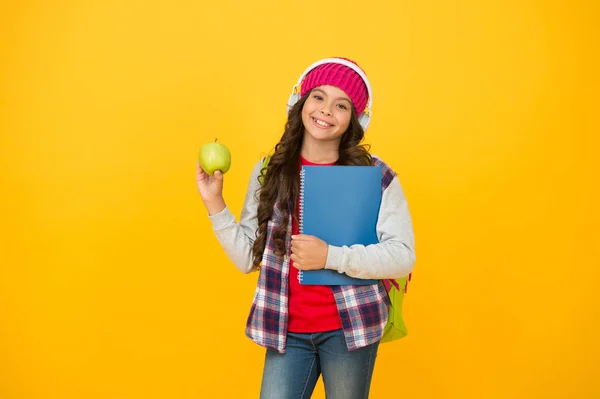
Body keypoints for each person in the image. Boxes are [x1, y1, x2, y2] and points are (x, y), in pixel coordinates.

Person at [196, 57, 415, 399]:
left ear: (354, 119)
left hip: (350, 328)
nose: (326, 110)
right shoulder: (269, 171)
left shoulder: (375, 175)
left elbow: (402, 257)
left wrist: (329, 256)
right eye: (318, 97)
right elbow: (246, 260)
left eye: (341, 105)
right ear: (301, 101)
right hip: (287, 329)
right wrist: (215, 204)